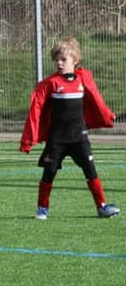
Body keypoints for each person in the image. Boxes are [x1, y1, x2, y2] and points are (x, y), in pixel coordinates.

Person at [20, 37, 120, 220]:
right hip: (57, 139)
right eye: (56, 59)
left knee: (90, 170)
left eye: (63, 59)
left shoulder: (83, 79)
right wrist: (28, 139)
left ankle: (102, 206)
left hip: (79, 137)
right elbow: (36, 108)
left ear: (75, 60)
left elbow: (97, 100)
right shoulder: (51, 83)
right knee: (48, 173)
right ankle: (42, 208)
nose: (59, 63)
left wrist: (108, 114)